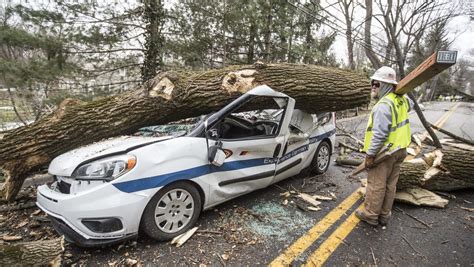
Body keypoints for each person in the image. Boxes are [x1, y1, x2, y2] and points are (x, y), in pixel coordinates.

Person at [355, 66, 413, 226]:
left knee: (376, 185)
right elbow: (412, 105)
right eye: (372, 83)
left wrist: (370, 155)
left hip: (385, 153)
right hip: (400, 149)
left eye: (377, 84)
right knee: (390, 185)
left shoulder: (383, 105)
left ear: (387, 85)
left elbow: (379, 135)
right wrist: (401, 91)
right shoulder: (400, 99)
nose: (373, 86)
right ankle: (384, 215)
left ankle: (371, 215)